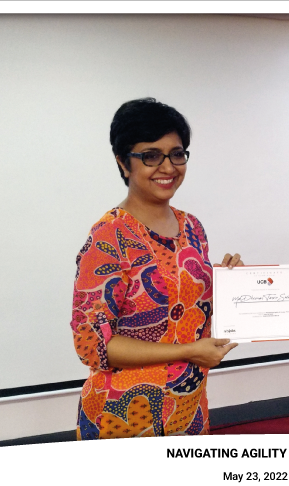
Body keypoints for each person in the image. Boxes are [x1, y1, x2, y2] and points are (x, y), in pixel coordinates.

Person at [71, 98, 242, 439]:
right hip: (122, 415)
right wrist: (188, 352)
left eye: (176, 154)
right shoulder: (109, 236)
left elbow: (190, 310)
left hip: (187, 407)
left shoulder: (192, 227)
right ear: (123, 163)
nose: (168, 167)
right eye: (151, 156)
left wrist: (234, 285)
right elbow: (93, 346)